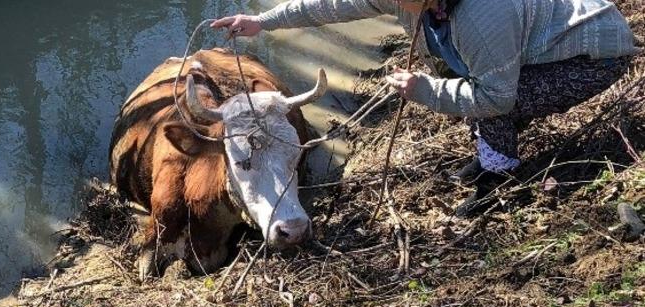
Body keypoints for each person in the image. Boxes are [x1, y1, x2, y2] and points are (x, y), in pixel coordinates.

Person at [212, 0, 640, 217]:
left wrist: (425, 89)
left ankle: (500, 179)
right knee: (482, 92)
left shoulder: (478, 17)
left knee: (493, 103)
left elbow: (495, 97)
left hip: (594, 56)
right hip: (546, 46)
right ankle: (493, 156)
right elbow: (332, 5)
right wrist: (261, 22)